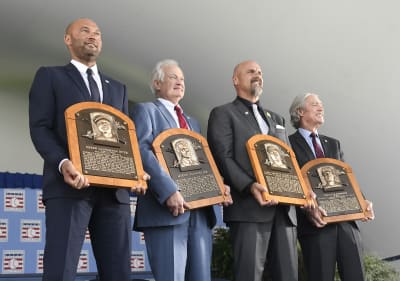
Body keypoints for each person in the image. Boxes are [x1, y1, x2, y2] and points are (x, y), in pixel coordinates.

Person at [29, 18, 147, 281]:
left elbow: (124, 139)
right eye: (85, 31)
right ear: (68, 39)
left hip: (114, 194)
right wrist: (62, 163)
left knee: (118, 273)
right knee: (61, 269)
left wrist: (136, 171)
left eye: (97, 33)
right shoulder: (50, 76)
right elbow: (40, 128)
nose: (93, 36)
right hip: (69, 187)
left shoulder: (118, 88)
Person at [130, 59, 232, 281]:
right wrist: (168, 191)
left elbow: (201, 162)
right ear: (157, 83)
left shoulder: (193, 122)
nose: (180, 82)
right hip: (168, 211)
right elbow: (141, 149)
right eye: (173, 77)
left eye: (182, 79)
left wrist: (217, 185)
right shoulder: (146, 110)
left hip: (201, 212)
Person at [207, 60, 298, 281]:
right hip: (249, 208)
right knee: (249, 275)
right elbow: (222, 156)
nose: (257, 75)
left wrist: (301, 190)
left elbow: (287, 160)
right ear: (235, 80)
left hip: (284, 211)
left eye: (260, 72)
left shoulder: (277, 119)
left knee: (288, 276)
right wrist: (249, 185)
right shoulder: (223, 113)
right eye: (251, 72)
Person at [288, 93, 374, 281]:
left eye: (321, 105)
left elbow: (346, 179)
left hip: (346, 224)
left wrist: (362, 201)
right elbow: (291, 182)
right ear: (300, 111)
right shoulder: (288, 143)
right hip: (315, 224)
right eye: (315, 105)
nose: (321, 108)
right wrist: (307, 208)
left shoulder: (333, 143)